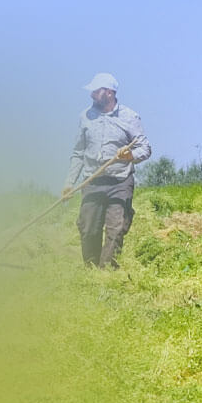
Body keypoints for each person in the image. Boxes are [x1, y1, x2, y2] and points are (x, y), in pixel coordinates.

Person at [63, 72, 151, 268]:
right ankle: (91, 269)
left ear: (110, 93)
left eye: (96, 91)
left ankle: (107, 273)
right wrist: (69, 183)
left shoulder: (129, 117)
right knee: (88, 228)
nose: (92, 95)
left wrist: (130, 156)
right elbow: (78, 153)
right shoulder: (85, 117)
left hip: (120, 182)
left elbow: (145, 149)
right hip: (92, 181)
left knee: (116, 228)